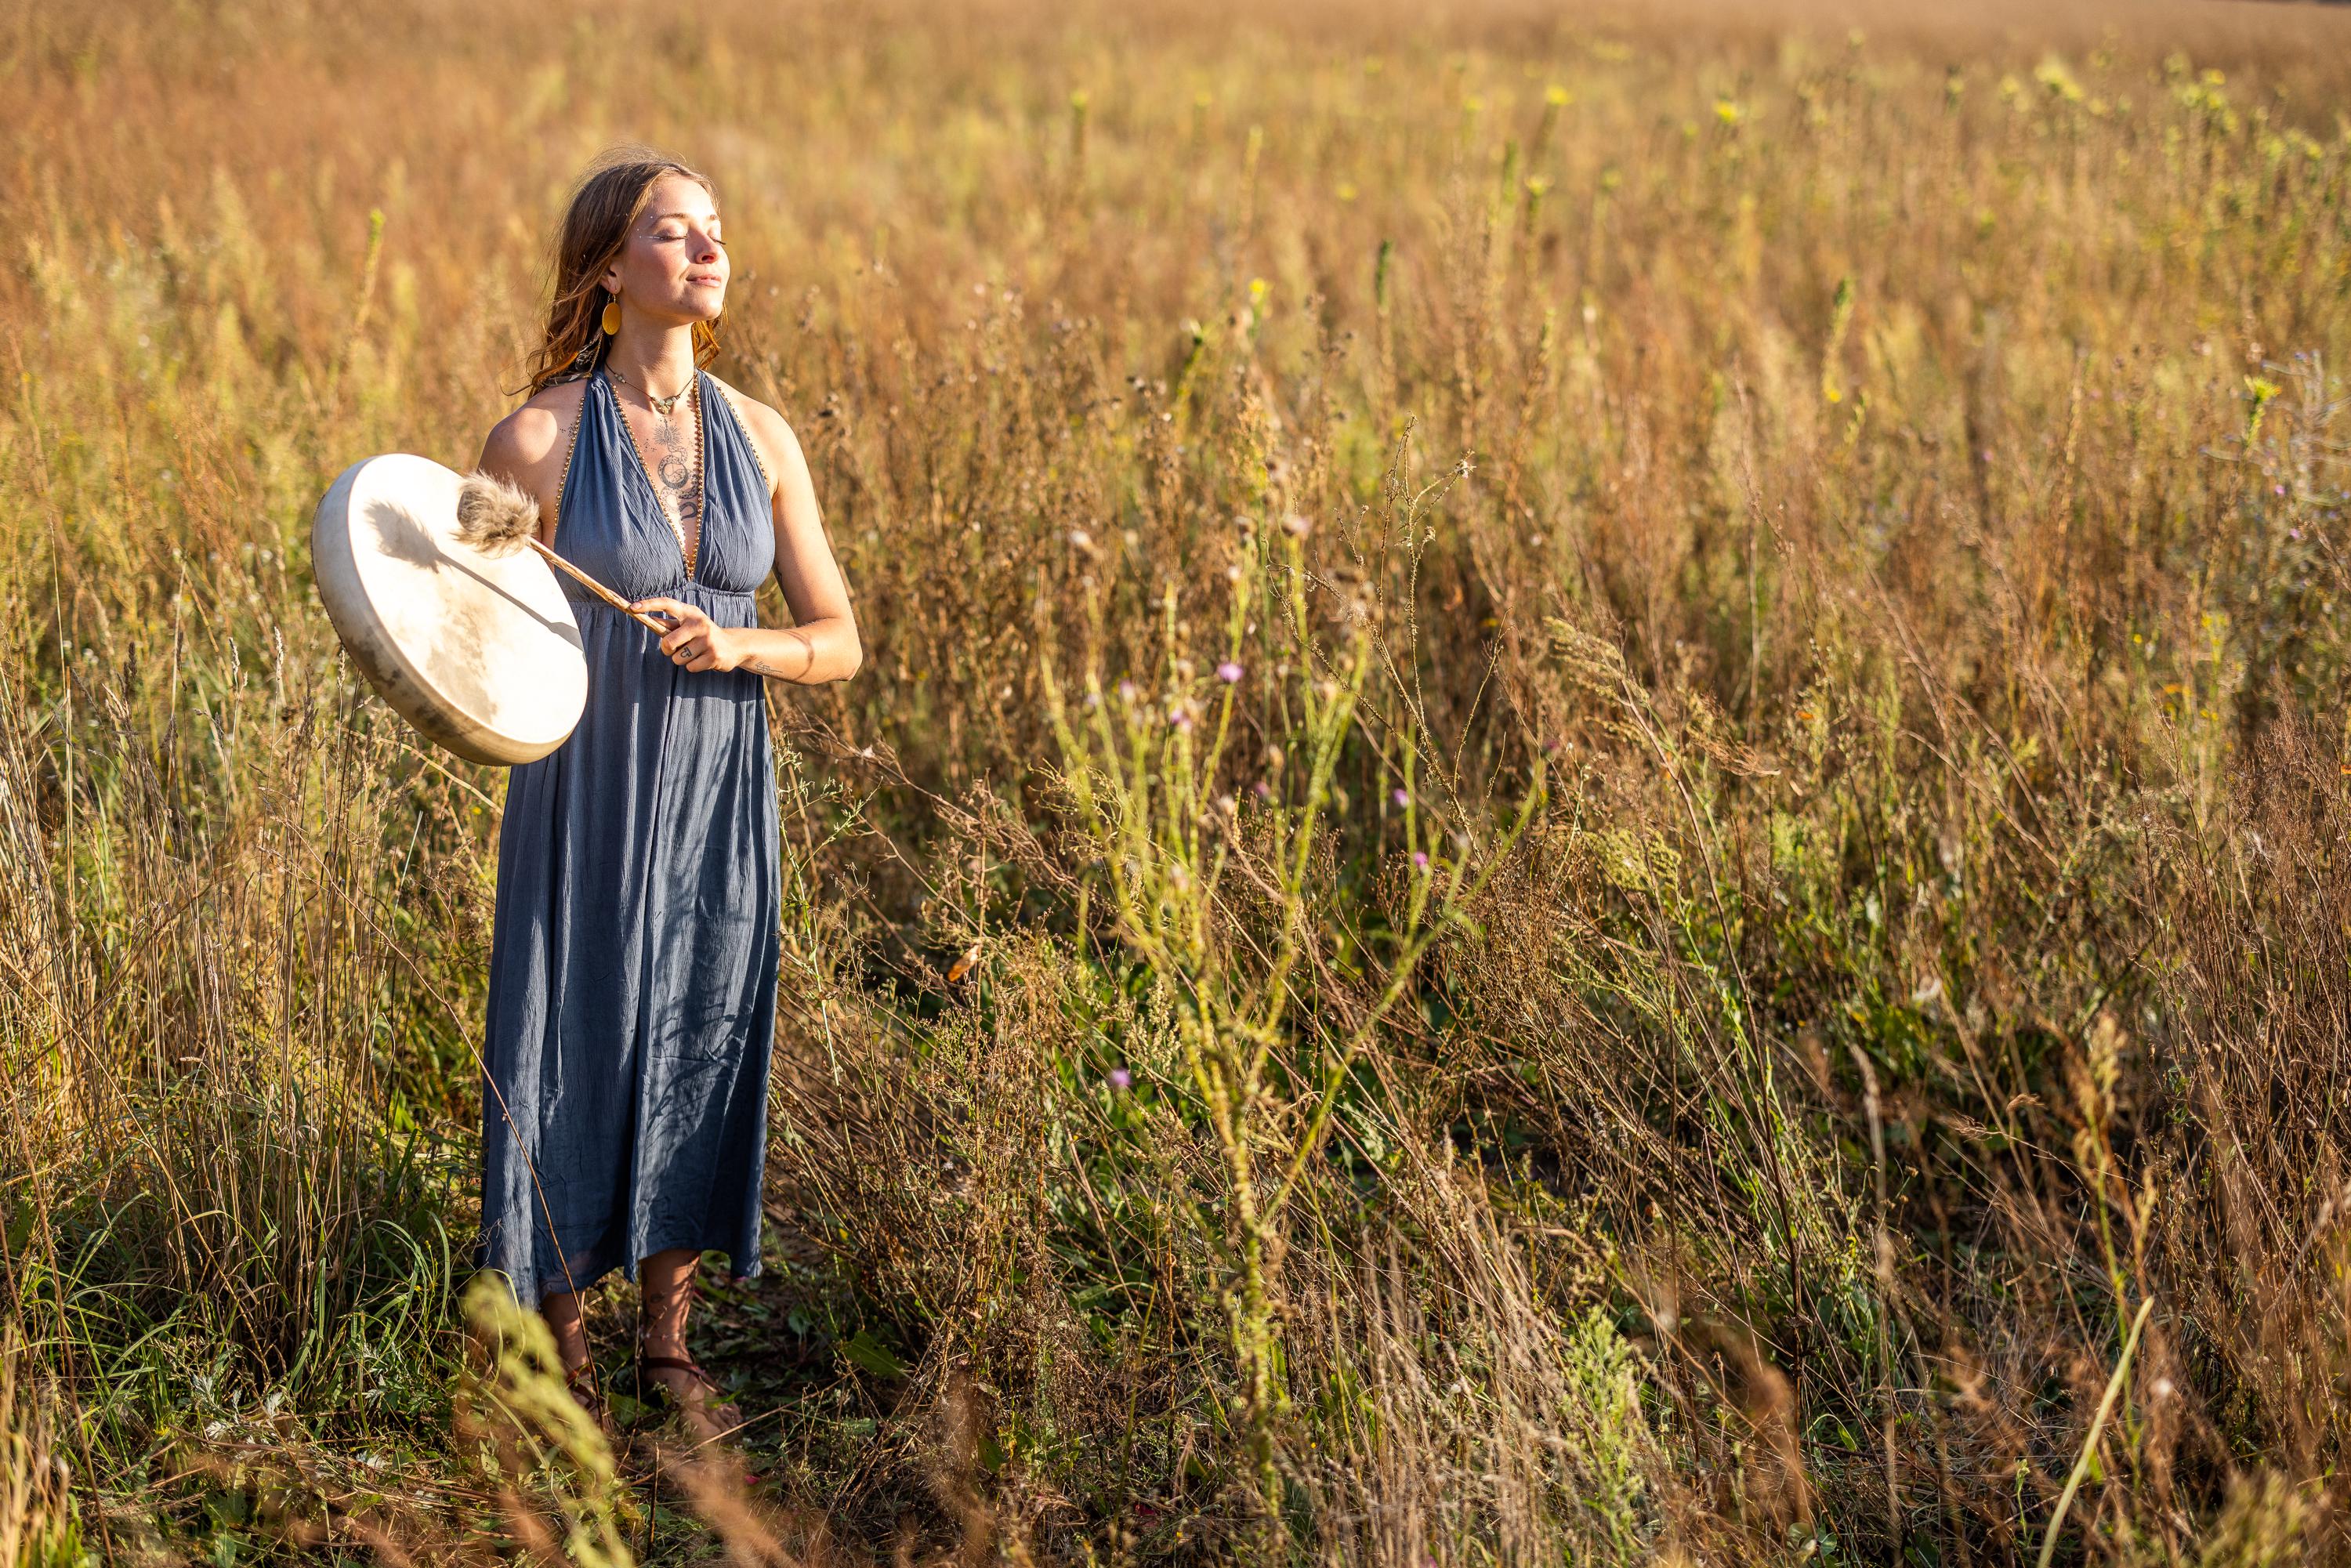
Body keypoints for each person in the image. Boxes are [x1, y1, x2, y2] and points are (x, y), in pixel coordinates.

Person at [469, 146, 860, 1439]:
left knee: (701, 1019)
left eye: (714, 230)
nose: (707, 249)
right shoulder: (535, 437)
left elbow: (840, 638)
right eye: (671, 231)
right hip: (585, 784)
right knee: (573, 1030)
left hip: (720, 783)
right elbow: (461, 628)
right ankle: (564, 1343)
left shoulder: (763, 435)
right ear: (605, 272)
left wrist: (739, 643)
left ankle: (669, 1343)